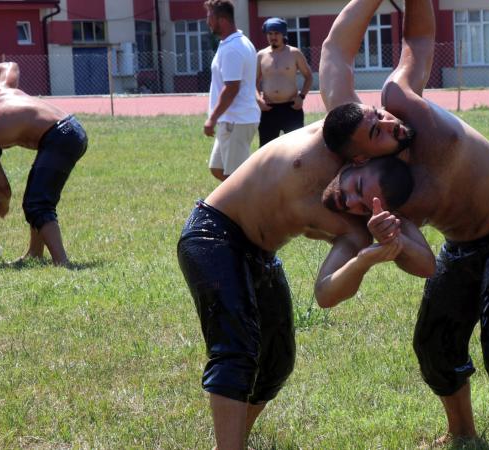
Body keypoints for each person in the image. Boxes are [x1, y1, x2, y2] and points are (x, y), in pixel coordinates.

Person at [178, 5, 435, 448]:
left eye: (361, 200)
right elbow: (337, 46)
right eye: (378, 121)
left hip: (257, 252)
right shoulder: (345, 122)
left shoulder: (355, 223)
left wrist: (375, 254)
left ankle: (237, 434)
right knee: (236, 348)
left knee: (276, 362)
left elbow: (333, 290)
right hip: (213, 231)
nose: (348, 199)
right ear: (356, 154)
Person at [320, 0, 489, 447]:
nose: (389, 123)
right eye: (377, 131)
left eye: (378, 117)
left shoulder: (401, 103)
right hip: (462, 239)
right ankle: (462, 432)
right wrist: (391, 242)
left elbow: (414, 41)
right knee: (433, 341)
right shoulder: (378, 193)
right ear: (361, 157)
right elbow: (423, 262)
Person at [0, 61, 87, 266]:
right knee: (35, 192)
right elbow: (10, 65)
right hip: (70, 127)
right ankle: (35, 253)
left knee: (37, 203)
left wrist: (2, 204)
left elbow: (3, 190)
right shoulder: (1, 90)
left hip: (60, 137)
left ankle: (63, 263)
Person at [204, 0, 260, 182]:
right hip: (229, 120)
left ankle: (253, 203)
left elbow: (231, 88)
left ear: (222, 19)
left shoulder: (233, 49)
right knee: (217, 168)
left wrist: (212, 118)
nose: (207, 21)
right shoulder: (232, 43)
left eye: (210, 16)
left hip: (237, 120)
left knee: (235, 177)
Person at [255, 17, 313, 147]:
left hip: (291, 108)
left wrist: (301, 97)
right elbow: (253, 82)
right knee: (266, 149)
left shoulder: (294, 53)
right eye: (270, 33)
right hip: (269, 109)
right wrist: (259, 100)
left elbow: (308, 77)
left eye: (276, 33)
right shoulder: (261, 55)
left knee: (296, 148)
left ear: (283, 34)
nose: (273, 37)